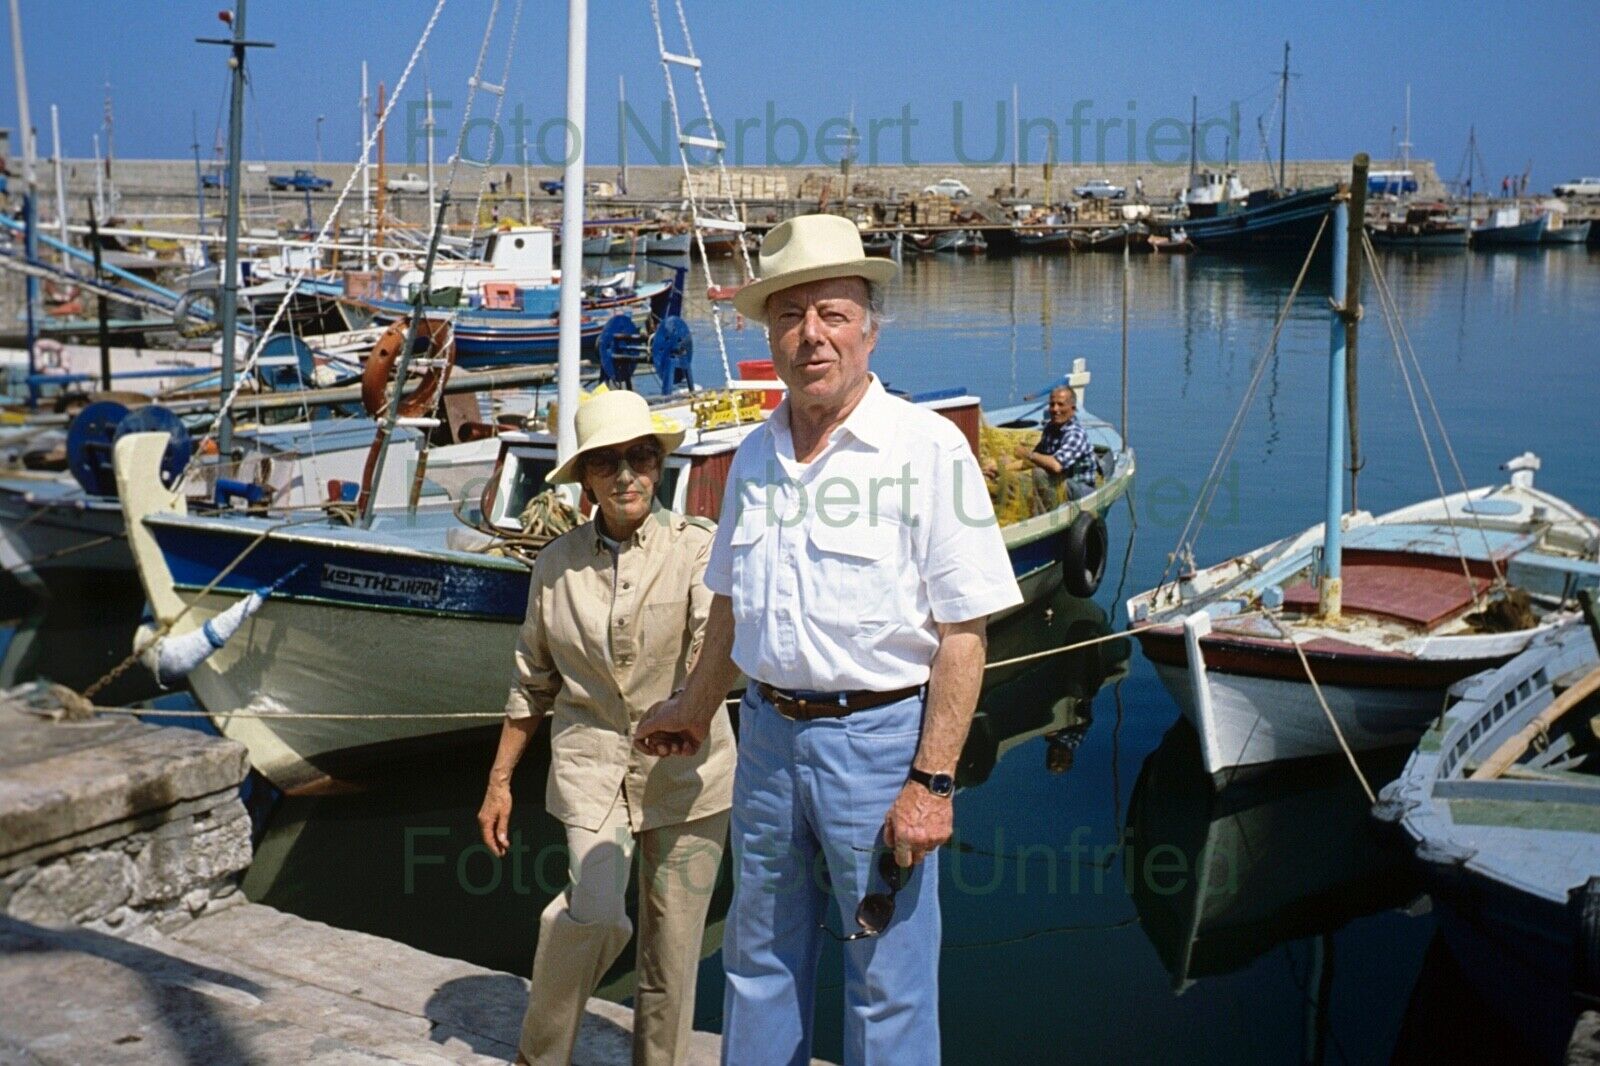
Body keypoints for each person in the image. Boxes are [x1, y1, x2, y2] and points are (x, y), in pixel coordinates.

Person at [635, 214, 1023, 1064]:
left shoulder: (924, 450)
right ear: (770, 333)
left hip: (880, 743)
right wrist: (697, 707)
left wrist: (932, 783)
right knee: (757, 961)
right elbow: (733, 605)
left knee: (887, 980)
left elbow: (965, 632)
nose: (812, 334)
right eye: (790, 314)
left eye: (833, 314)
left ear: (869, 327)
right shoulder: (753, 455)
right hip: (767, 737)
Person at [478, 389, 734, 1066]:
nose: (626, 474)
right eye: (608, 461)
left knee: (672, 960)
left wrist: (691, 711)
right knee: (591, 911)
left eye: (640, 457)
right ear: (586, 477)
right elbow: (532, 680)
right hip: (590, 763)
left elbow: (717, 646)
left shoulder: (699, 551)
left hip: (691, 773)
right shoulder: (554, 566)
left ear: (657, 466)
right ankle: (540, 1057)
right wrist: (499, 780)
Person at [985, 385, 1098, 509]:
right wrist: (1002, 469)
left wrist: (1029, 454)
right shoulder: (1050, 428)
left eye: (1061, 404)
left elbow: (1056, 466)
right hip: (1057, 482)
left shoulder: (1075, 434)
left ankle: (1045, 514)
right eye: (1052, 404)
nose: (1055, 409)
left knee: (1039, 474)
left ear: (1072, 408)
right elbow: (1031, 462)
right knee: (1017, 480)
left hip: (1080, 489)